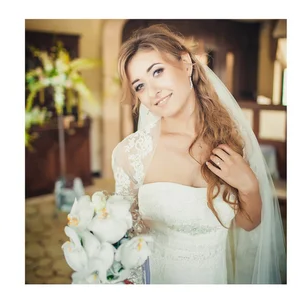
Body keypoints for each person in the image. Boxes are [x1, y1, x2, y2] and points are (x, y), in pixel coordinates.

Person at [112, 24, 286, 284]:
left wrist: (248, 185)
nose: (152, 92)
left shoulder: (232, 140)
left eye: (157, 71)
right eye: (139, 86)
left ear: (185, 63)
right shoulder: (130, 154)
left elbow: (249, 223)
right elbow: (121, 238)